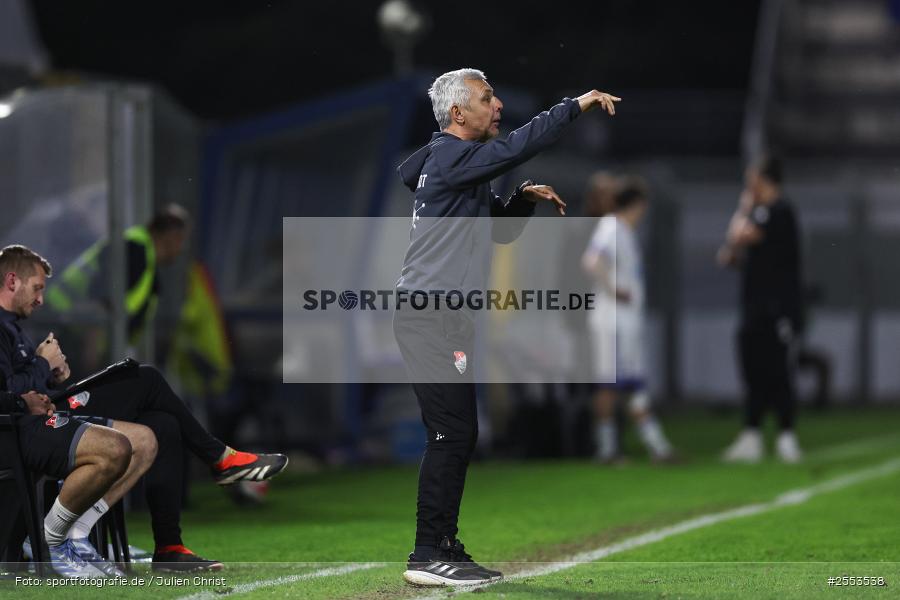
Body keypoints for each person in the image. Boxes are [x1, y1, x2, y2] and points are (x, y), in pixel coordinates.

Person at [394, 67, 619, 586]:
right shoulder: (451, 156)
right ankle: (427, 554)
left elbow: (497, 232)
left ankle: (442, 545)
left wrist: (520, 199)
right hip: (430, 313)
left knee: (459, 432)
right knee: (451, 432)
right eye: (486, 97)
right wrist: (574, 106)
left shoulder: (455, 162)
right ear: (458, 113)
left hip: (443, 315)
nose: (496, 106)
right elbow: (518, 146)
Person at [0, 244, 288, 571]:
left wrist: (52, 375)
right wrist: (42, 364)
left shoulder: (15, 329)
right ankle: (219, 458)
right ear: (12, 281)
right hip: (30, 428)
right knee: (146, 378)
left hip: (47, 413)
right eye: (37, 288)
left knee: (163, 424)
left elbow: (25, 385)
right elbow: (9, 391)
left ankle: (169, 546)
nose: (41, 299)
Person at [581, 176, 675, 464]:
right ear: (637, 205)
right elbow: (592, 261)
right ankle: (608, 450)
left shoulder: (623, 231)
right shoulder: (611, 227)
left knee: (633, 384)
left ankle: (657, 447)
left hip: (625, 322)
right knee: (609, 386)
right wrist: (613, 290)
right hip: (612, 323)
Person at [717, 156, 804, 463]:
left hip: (778, 308)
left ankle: (786, 436)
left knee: (778, 371)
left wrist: (743, 207)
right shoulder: (759, 214)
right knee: (753, 371)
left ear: (764, 179)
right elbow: (728, 256)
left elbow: (739, 235)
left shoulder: (779, 211)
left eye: (752, 177)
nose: (747, 184)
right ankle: (751, 435)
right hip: (754, 308)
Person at [46, 204, 190, 342]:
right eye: (180, 239)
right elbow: (101, 299)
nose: (182, 248)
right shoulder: (137, 251)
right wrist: (91, 349)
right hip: (61, 323)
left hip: (67, 325)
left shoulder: (146, 256)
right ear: (170, 236)